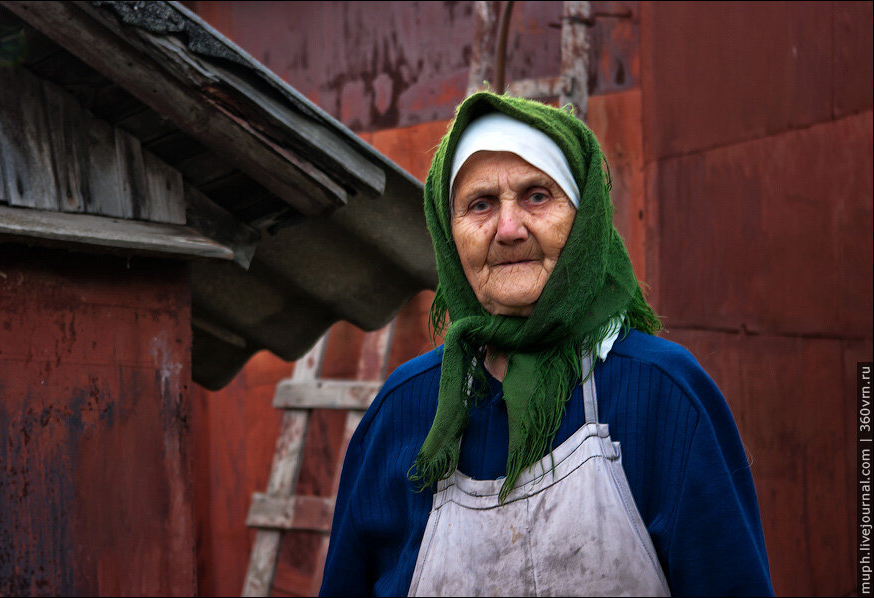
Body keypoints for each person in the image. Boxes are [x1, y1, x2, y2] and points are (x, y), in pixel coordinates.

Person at [319, 92, 774, 597]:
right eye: (480, 204)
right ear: (449, 235)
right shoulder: (401, 413)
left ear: (582, 221)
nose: (509, 230)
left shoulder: (664, 396)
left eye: (537, 196)